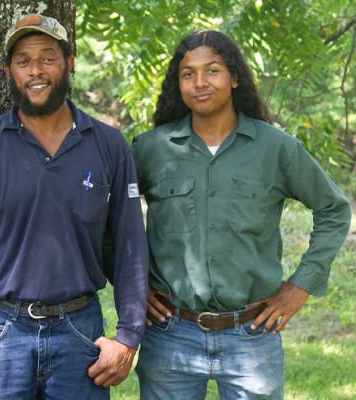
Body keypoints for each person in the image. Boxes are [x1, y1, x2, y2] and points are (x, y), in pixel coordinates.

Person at [0, 13, 148, 400]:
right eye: (23, 61)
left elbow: (130, 245)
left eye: (48, 57)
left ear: (69, 63)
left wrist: (128, 336)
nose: (36, 71)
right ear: (8, 70)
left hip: (80, 333)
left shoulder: (109, 145)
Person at [133, 30, 351, 400]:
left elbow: (333, 209)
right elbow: (105, 220)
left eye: (212, 71)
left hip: (252, 336)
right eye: (188, 74)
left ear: (234, 77)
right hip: (171, 334)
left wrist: (300, 288)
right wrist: (131, 282)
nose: (200, 82)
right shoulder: (151, 149)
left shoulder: (276, 149)